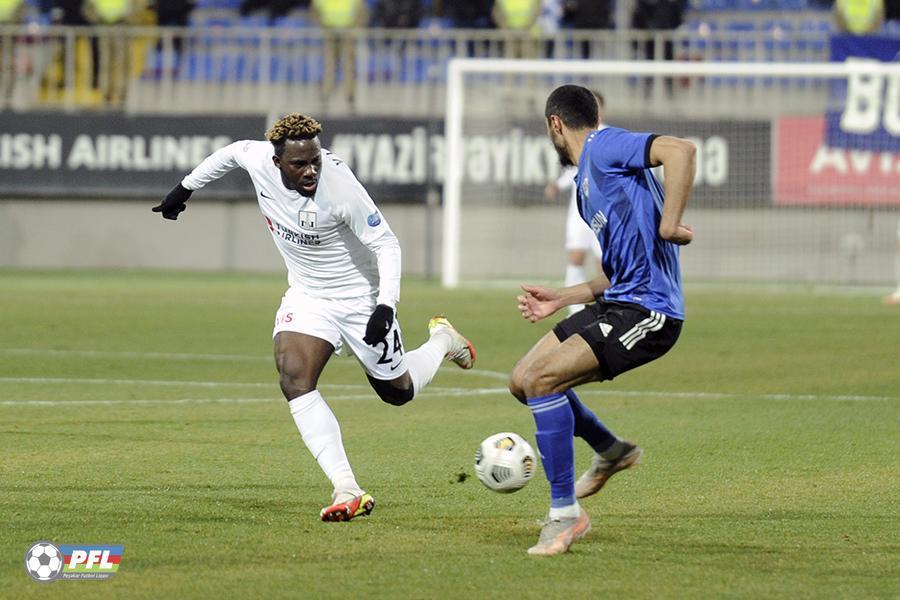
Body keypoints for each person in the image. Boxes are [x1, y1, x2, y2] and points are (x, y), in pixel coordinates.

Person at [152, 113, 476, 522]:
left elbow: (387, 245)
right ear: (277, 162)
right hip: (308, 295)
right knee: (294, 377)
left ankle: (443, 340)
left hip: (361, 299)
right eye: (299, 164)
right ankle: (347, 488)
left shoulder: (341, 189)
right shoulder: (258, 159)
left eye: (315, 161)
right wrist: (184, 189)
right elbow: (231, 153)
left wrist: (385, 306)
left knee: (398, 392)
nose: (310, 171)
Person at [509, 85, 695, 555]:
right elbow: (615, 275)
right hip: (619, 301)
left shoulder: (603, 145)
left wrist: (670, 224)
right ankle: (612, 451)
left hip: (649, 311)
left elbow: (681, 150)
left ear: (555, 123)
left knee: (544, 381)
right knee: (522, 380)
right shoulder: (585, 186)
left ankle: (565, 515)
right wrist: (561, 297)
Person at [544, 89, 606, 314]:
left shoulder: (608, 137)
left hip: (603, 209)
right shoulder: (575, 136)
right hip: (580, 209)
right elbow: (572, 170)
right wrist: (558, 185)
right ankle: (574, 309)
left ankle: (606, 307)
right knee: (576, 256)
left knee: (604, 263)